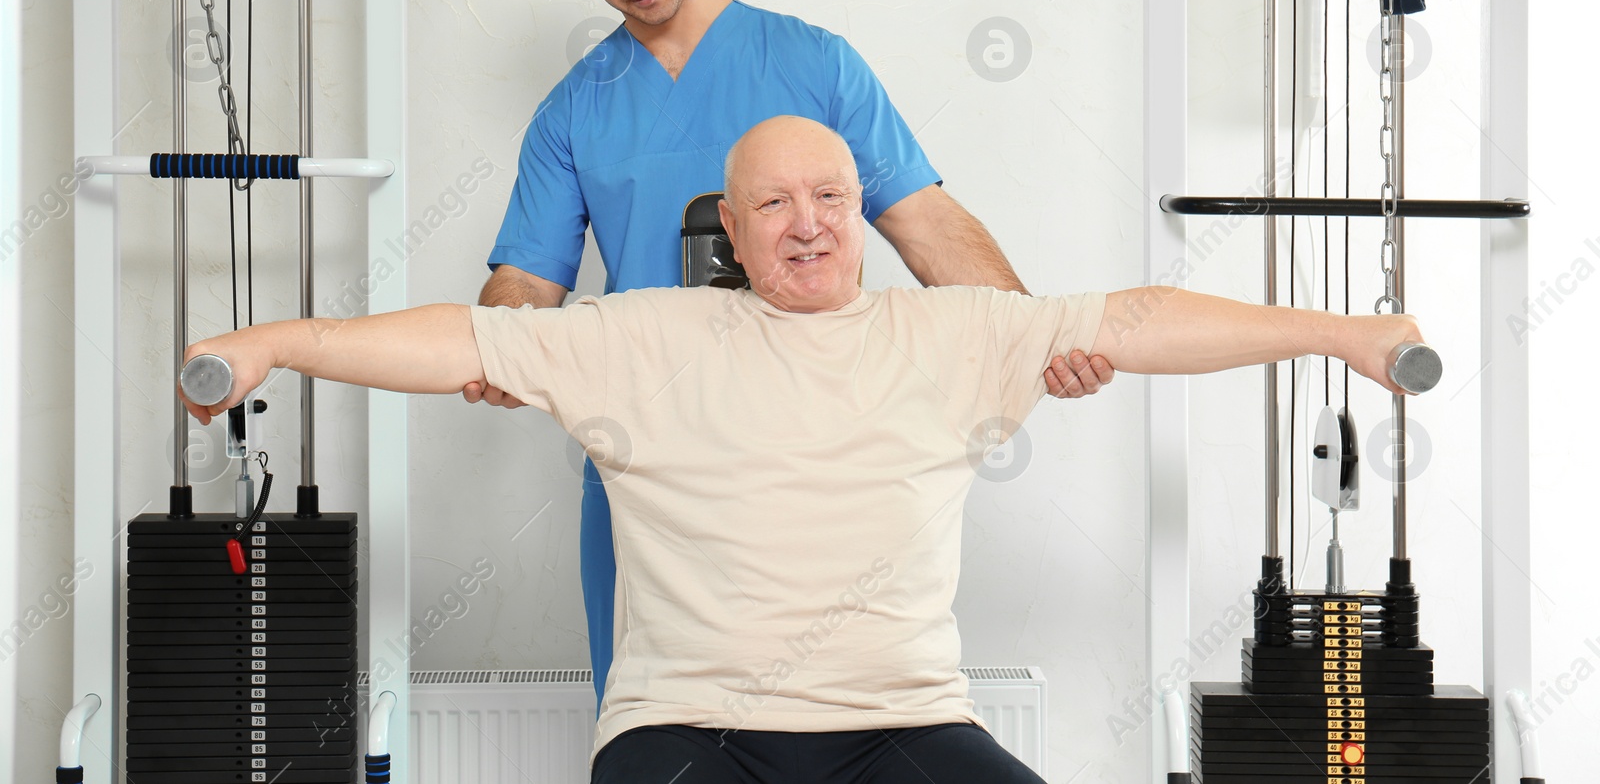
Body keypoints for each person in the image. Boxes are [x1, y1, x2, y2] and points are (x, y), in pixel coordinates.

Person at [186, 117, 1424, 784]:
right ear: (729, 226)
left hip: (902, 721)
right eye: (772, 202)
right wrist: (277, 341)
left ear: (863, 213)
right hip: (686, 727)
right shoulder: (637, 335)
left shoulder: (953, 333)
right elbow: (452, 333)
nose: (807, 222)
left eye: (830, 195)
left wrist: (1341, 334)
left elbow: (1137, 315)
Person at [465, 0, 1114, 706]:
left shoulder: (814, 63)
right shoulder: (573, 110)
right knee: (655, 714)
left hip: (826, 434)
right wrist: (494, 348)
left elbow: (923, 221)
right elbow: (524, 283)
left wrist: (1036, 332)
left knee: (844, 708)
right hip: (655, 448)